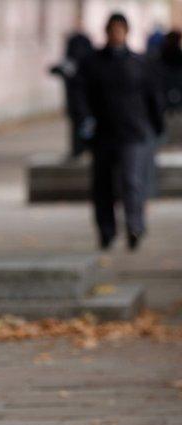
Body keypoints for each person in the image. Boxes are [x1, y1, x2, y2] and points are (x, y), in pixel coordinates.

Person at [76, 13, 165, 251]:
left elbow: (152, 96)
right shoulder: (93, 63)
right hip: (104, 133)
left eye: (119, 30)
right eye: (112, 30)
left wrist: (157, 125)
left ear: (126, 32)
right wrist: (85, 121)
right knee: (103, 185)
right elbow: (81, 95)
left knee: (132, 181)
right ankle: (106, 231)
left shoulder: (139, 63)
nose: (115, 35)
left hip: (133, 132)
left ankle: (135, 225)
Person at [49, 32, 95, 158]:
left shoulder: (77, 63)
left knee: (81, 125)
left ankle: (80, 148)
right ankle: (80, 148)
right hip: (80, 102)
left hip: (81, 102)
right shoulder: (85, 62)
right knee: (80, 125)